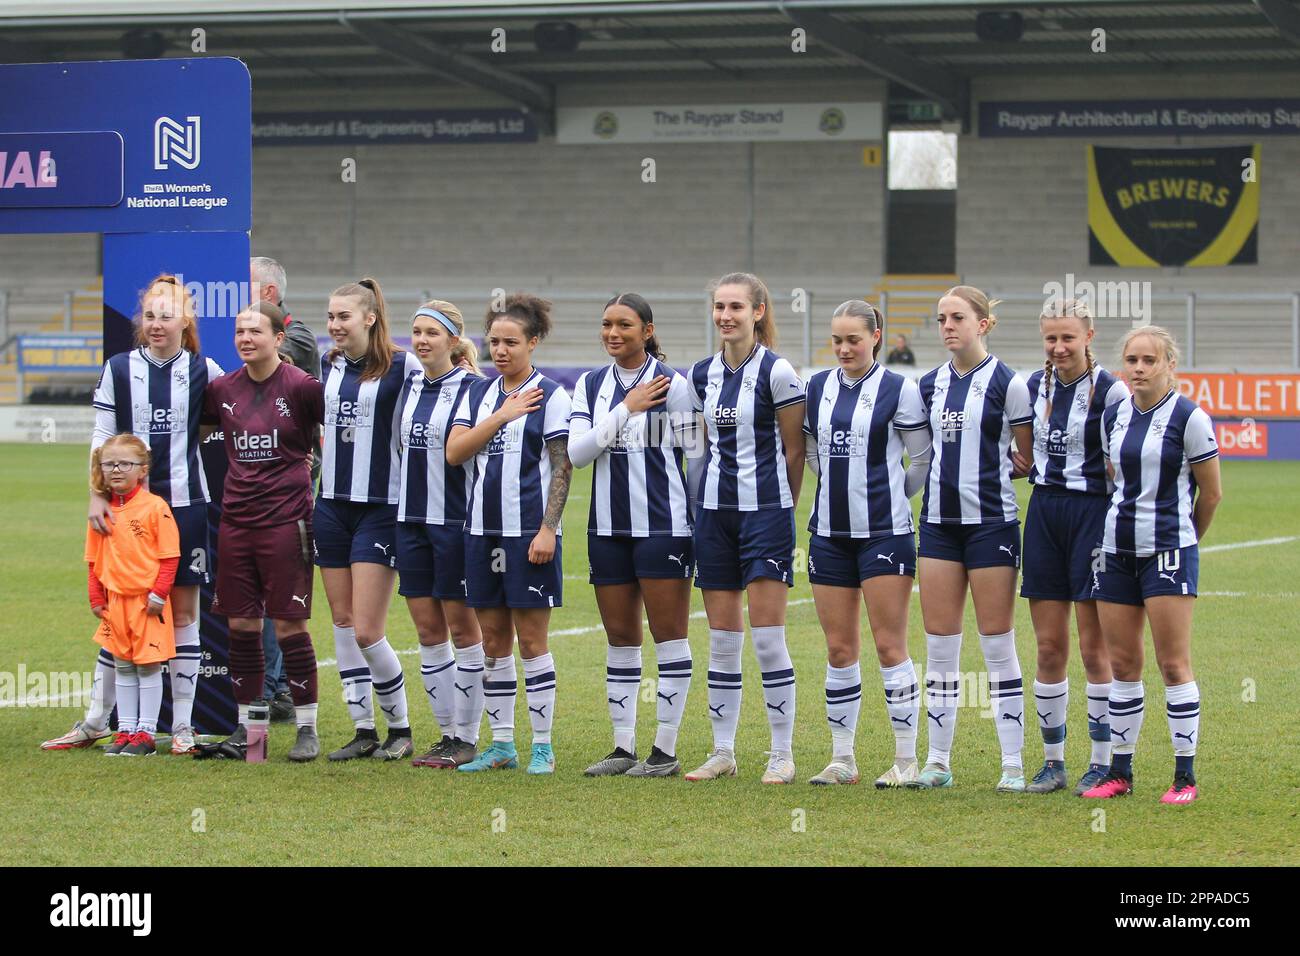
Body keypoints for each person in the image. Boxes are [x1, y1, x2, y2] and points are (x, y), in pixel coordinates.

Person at [43, 275, 221, 755]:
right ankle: (98, 720)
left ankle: (181, 728)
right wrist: (97, 492)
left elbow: (225, 418)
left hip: (185, 507)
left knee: (183, 613)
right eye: (150, 315)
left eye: (167, 316)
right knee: (120, 608)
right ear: (140, 322)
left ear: (186, 322)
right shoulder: (118, 369)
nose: (157, 324)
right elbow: (103, 432)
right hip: (124, 511)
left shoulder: (207, 369)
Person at [1083, 326, 1221, 804]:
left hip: (1167, 552)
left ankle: (1185, 778)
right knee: (1123, 664)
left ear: (1169, 365)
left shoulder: (1190, 419)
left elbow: (1212, 493)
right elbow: (1111, 476)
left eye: (1148, 360)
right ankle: (1120, 772)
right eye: (1131, 360)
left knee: (1172, 664)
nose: (1138, 368)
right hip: (1116, 552)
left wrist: (1184, 543)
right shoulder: (1116, 413)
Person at [909, 285, 1035, 792]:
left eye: (957, 317)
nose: (947, 327)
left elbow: (1025, 459)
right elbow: (919, 456)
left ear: (983, 324)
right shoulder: (928, 385)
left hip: (991, 526)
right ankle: (937, 761)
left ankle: (1012, 764)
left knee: (997, 645)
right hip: (938, 526)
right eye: (941, 319)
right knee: (940, 647)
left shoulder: (1010, 384)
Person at [803, 300, 932, 786]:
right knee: (839, 649)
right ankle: (842, 759)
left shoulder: (900, 389)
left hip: (885, 534)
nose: (843, 348)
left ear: (876, 337)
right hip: (829, 536)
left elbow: (919, 460)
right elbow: (813, 451)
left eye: (853, 339)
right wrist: (841, 488)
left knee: (888, 646)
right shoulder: (816, 387)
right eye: (837, 340)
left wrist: (889, 498)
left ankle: (905, 761)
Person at [684, 272, 806, 784]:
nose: (725, 315)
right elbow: (697, 446)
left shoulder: (779, 373)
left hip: (766, 515)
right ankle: (722, 751)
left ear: (758, 312)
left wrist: (783, 509)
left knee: (768, 638)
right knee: (723, 639)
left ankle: (782, 753)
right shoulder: (699, 375)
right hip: (714, 515)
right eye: (719, 306)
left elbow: (795, 449)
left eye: (736, 306)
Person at [569, 293, 696, 778]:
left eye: (624, 325)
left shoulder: (674, 386)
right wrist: (625, 409)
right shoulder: (591, 385)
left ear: (647, 330)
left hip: (663, 526)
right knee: (620, 639)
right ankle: (622, 748)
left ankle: (664, 751)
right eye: (606, 324)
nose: (613, 333)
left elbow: (696, 455)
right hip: (606, 528)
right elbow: (579, 454)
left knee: (669, 638)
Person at [445, 293, 572, 775]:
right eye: (493, 341)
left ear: (533, 342)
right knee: (493, 641)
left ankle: (542, 745)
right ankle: (502, 745)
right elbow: (455, 452)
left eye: (511, 342)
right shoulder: (477, 393)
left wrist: (548, 530)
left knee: (532, 641)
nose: (500, 350)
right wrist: (501, 414)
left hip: (528, 536)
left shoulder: (552, 395)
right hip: (480, 533)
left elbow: (562, 468)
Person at [202, 300, 324, 761]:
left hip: (286, 523)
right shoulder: (221, 389)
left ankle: (307, 728)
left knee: (290, 625)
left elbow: (334, 433)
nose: (246, 338)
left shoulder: (302, 387)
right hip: (236, 523)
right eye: (239, 332)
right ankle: (250, 732)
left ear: (278, 338)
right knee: (241, 626)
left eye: (256, 331)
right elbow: (197, 434)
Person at [1020, 299, 1129, 796]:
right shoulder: (1031, 387)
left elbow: (1123, 464)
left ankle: (1103, 762)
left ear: (1089, 335)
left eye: (1068, 337)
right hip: (1043, 513)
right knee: (1047, 647)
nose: (1059, 347)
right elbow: (1017, 454)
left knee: (1093, 646)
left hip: (1092, 516)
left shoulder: (1112, 392)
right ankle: (1053, 762)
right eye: (1051, 339)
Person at [317, 278, 425, 761]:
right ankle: (362, 730)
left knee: (366, 629)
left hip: (381, 508)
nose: (334, 325)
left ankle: (399, 728)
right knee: (341, 624)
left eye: (343, 316)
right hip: (331, 505)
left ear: (369, 317)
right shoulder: (329, 363)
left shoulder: (404, 367)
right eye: (330, 316)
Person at [396, 300, 486, 769]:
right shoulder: (409, 384)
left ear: (453, 340)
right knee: (429, 632)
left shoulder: (474, 388)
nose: (423, 340)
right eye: (417, 331)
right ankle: (445, 734)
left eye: (433, 332)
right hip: (409, 522)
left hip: (454, 523)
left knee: (462, 630)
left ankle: (467, 738)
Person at [251, 256, 318, 723]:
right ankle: (269, 686)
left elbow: (270, 367)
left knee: (281, 592)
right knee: (253, 591)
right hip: (252, 484)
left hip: (289, 489)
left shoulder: (297, 337)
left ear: (269, 295)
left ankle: (280, 690)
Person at [85, 434, 181, 756]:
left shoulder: (155, 507)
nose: (116, 470)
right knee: (123, 665)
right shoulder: (102, 512)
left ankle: (147, 734)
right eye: (109, 464)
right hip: (115, 603)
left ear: (142, 470)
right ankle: (125, 730)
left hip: (146, 603)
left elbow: (170, 557)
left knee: (147, 666)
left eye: (125, 464)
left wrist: (158, 594)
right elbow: (93, 560)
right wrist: (96, 596)